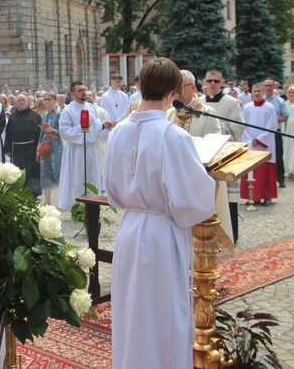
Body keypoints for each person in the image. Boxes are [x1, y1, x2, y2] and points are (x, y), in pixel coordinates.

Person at [103, 58, 215, 369]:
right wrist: (209, 182)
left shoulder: (118, 131)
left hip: (130, 229)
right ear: (172, 92)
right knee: (164, 315)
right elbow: (191, 199)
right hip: (162, 233)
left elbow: (110, 189)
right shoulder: (173, 135)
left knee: (132, 314)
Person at [166, 70, 233, 241]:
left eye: (180, 87)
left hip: (198, 176)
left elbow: (214, 143)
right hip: (172, 177)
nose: (176, 92)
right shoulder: (170, 113)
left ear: (193, 87)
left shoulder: (206, 113)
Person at [200, 69, 244, 242]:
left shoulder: (231, 102)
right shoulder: (199, 103)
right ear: (204, 82)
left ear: (222, 83)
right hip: (204, 156)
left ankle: (230, 234)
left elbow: (238, 127)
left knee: (228, 196)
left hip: (224, 154)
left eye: (216, 81)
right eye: (209, 81)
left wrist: (215, 129)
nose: (212, 84)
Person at [58, 81, 112, 211]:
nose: (84, 93)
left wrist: (104, 126)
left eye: (85, 90)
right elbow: (64, 131)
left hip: (91, 149)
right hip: (76, 151)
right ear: (72, 94)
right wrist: (81, 127)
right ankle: (78, 209)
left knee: (92, 177)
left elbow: (96, 128)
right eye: (80, 91)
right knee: (78, 180)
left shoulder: (91, 108)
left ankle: (92, 208)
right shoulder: (68, 110)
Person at [240, 84, 279, 206]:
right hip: (250, 144)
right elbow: (242, 125)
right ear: (252, 93)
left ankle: (266, 196)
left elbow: (272, 126)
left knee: (265, 172)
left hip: (264, 145)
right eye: (254, 91)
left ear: (263, 92)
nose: (256, 93)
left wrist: (260, 139)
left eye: (259, 91)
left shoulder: (270, 108)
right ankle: (251, 197)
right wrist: (250, 140)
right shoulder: (247, 108)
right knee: (251, 171)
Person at [3, 94, 42, 196]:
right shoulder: (12, 117)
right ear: (15, 103)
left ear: (28, 102)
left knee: (31, 171)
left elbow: (40, 133)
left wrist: (39, 149)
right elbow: (8, 133)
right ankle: (19, 191)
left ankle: (33, 193)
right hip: (17, 149)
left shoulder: (35, 115)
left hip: (31, 148)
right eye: (19, 100)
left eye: (23, 100)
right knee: (18, 171)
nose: (21, 102)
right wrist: (7, 148)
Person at [37, 92, 63, 206]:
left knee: (58, 173)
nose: (47, 102)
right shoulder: (45, 115)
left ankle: (62, 200)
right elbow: (41, 133)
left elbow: (64, 131)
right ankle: (47, 201)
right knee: (45, 172)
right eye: (45, 100)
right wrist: (38, 148)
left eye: (49, 99)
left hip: (56, 146)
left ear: (55, 101)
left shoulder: (59, 114)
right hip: (45, 145)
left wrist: (53, 130)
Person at [262, 78, 289, 187]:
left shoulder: (280, 101)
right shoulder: (260, 100)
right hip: (262, 133)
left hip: (275, 132)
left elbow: (285, 117)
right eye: (266, 85)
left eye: (270, 85)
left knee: (278, 155)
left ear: (274, 87)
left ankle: (280, 179)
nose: (268, 88)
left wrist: (272, 121)